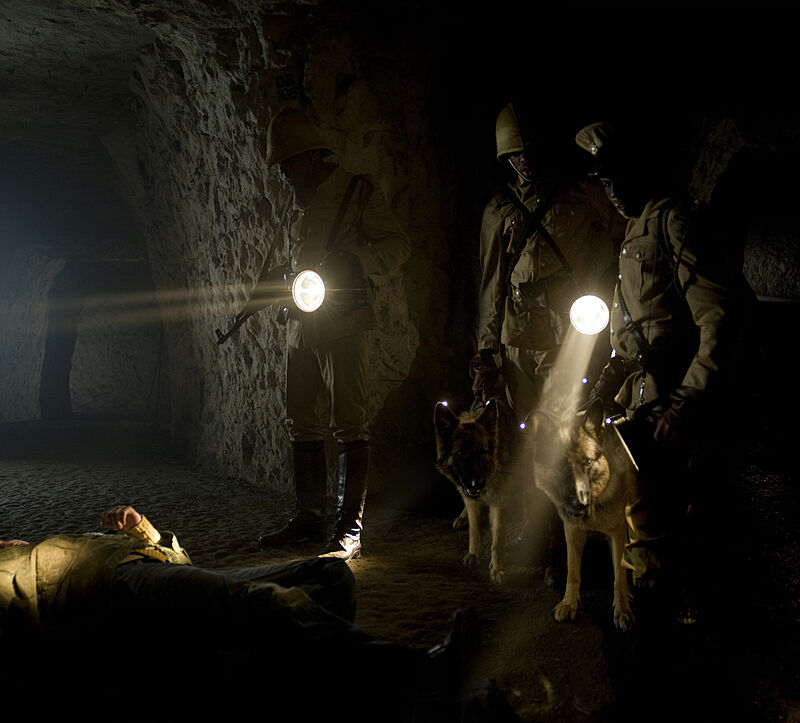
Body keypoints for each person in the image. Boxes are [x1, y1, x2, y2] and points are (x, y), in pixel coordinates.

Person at [0, 505, 520, 721]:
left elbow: (183, 564)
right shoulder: (13, 567)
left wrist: (145, 530)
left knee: (329, 575)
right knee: (271, 604)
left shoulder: (61, 542)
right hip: (123, 590)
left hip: (154, 570)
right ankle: (426, 673)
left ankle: (324, 684)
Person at [574, 121, 745, 617]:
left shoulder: (673, 221)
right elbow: (630, 332)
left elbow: (718, 316)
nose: (611, 192)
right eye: (604, 183)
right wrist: (606, 385)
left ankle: (673, 643)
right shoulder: (635, 229)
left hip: (670, 398)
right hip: (640, 397)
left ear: (641, 172)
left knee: (669, 528)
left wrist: (689, 399)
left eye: (617, 179)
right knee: (639, 516)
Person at [471, 102, 623, 570]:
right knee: (526, 443)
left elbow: (629, 229)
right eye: (516, 155)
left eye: (531, 152)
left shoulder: (582, 196)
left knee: (564, 444)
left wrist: (613, 293)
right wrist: (486, 351)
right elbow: (491, 285)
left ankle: (565, 542)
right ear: (505, 159)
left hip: (565, 342)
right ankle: (531, 534)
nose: (526, 162)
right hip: (518, 340)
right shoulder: (499, 211)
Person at [254, 108, 411, 560]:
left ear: (310, 156)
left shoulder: (357, 191)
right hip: (301, 324)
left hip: (344, 322)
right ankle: (309, 517)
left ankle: (349, 526)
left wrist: (355, 260)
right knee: (301, 419)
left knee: (349, 420)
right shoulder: (294, 203)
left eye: (288, 164)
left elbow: (397, 244)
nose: (284, 175)